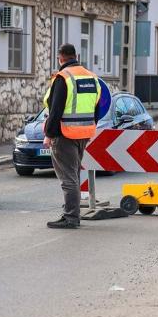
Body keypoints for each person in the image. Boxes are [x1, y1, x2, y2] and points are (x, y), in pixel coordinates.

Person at [43, 44, 102, 229]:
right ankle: (71, 214)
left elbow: (55, 109)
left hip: (65, 133)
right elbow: (98, 106)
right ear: (75, 55)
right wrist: (91, 125)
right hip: (84, 133)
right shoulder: (91, 77)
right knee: (74, 174)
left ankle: (71, 218)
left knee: (68, 178)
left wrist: (49, 134)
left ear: (60, 58)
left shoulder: (63, 78)